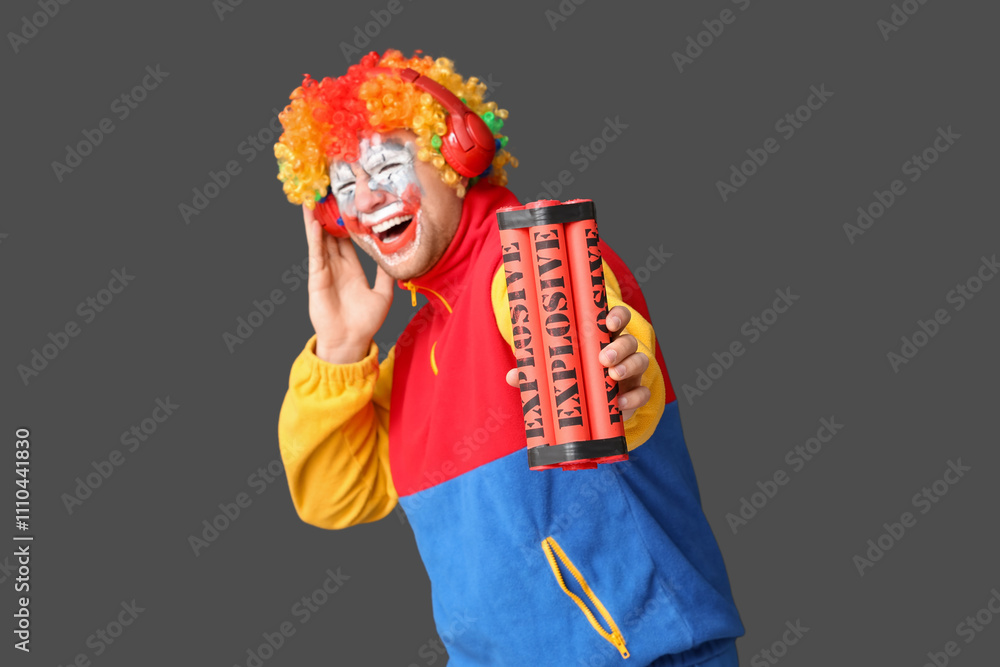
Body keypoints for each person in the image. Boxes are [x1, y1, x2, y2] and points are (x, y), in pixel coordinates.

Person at [274, 49, 744, 666]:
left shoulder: (524, 266)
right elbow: (337, 496)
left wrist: (624, 375)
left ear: (456, 155)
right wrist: (340, 349)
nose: (365, 201)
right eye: (344, 186)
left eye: (387, 166)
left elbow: (611, 375)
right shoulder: (416, 351)